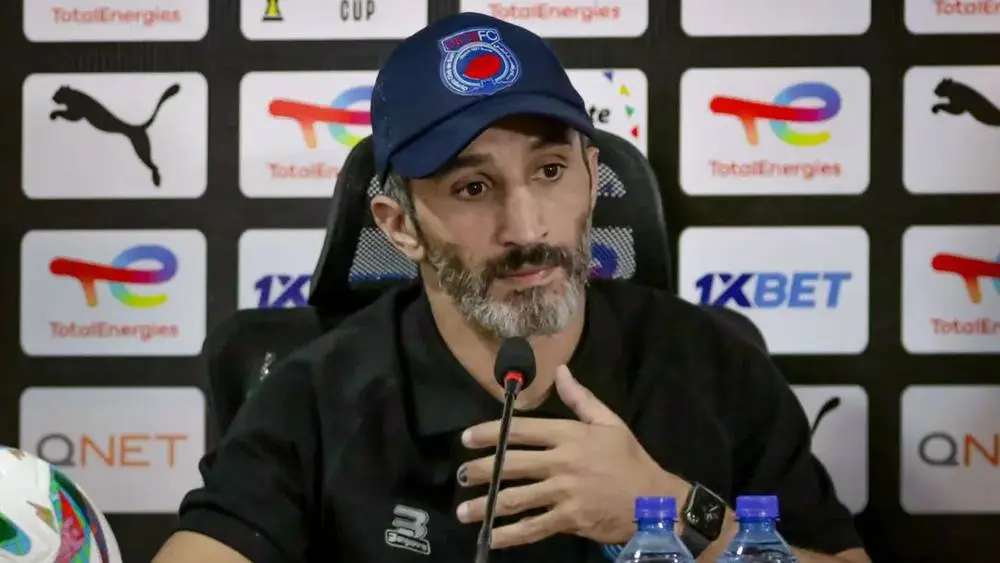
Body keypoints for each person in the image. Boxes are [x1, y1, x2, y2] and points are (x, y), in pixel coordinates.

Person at [152, 12, 871, 563]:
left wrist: (673, 512)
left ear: (592, 178)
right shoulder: (314, 391)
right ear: (399, 225)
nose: (527, 227)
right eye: (473, 187)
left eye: (550, 172)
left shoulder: (713, 362)